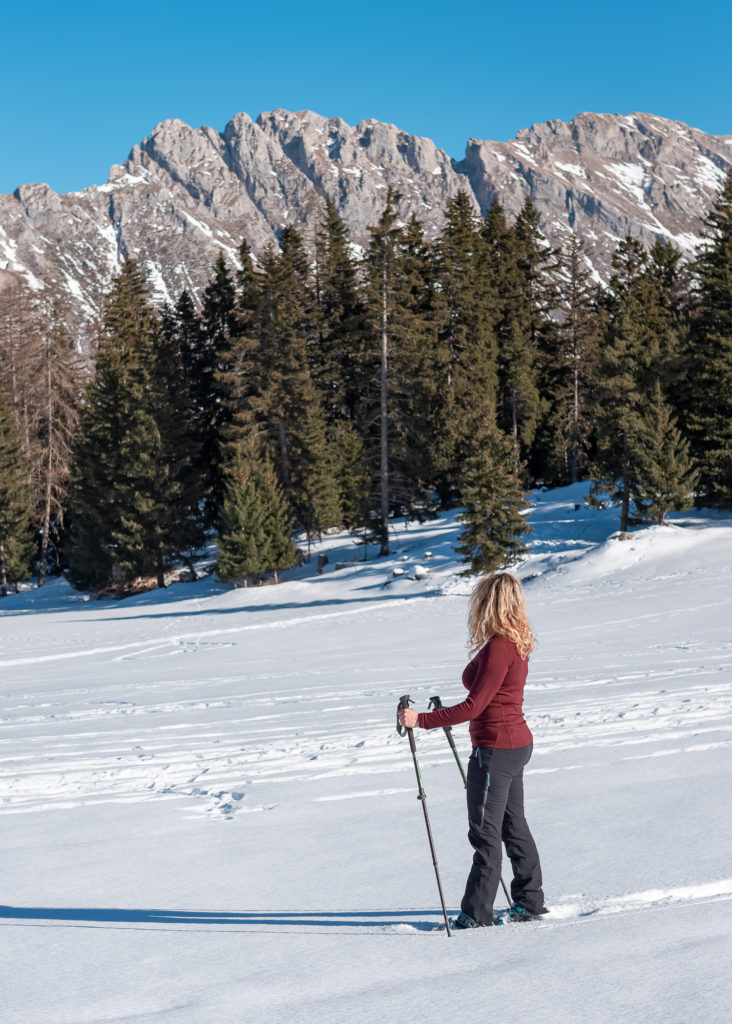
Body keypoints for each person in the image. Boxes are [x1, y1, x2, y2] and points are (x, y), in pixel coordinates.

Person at [397, 572, 548, 928]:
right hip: (514, 743)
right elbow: (488, 697)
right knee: (513, 825)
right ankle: (529, 901)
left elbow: (475, 706)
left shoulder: (500, 646)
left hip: (496, 748)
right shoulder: (514, 640)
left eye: (479, 598)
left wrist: (421, 720)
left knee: (485, 832)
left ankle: (476, 914)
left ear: (489, 603)